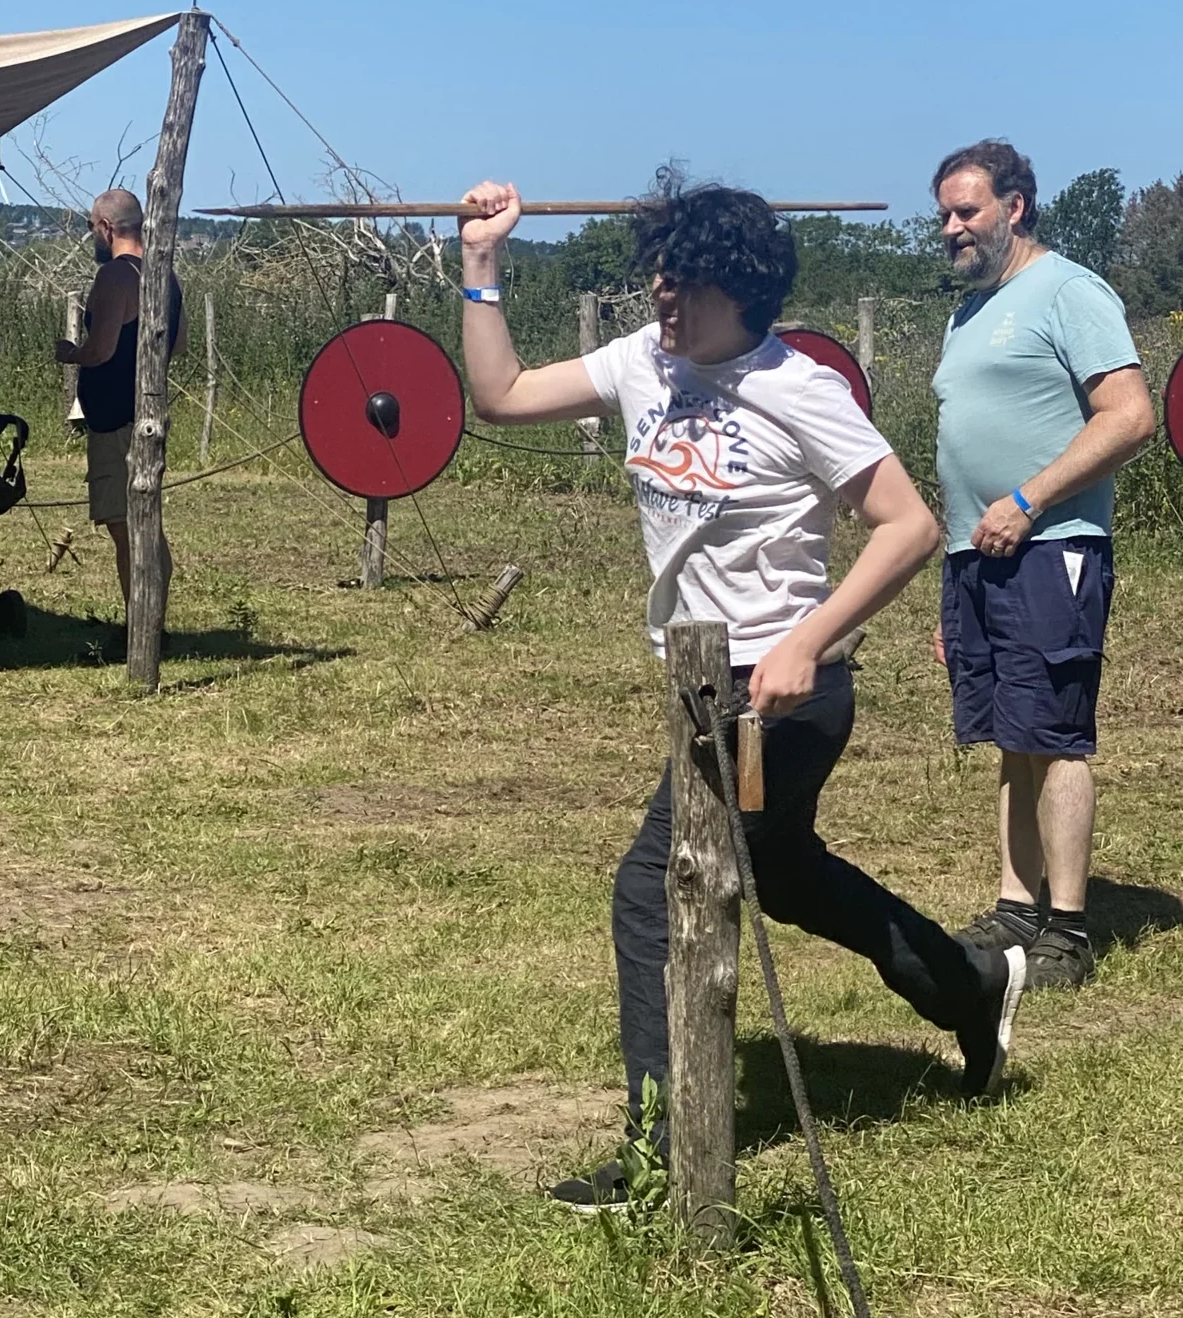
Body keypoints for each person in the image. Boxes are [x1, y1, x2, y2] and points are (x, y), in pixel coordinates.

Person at [457, 174, 1027, 1211]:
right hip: (697, 684)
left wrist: (811, 639)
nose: (665, 292)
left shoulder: (801, 387)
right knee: (786, 873)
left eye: (689, 278)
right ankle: (969, 983)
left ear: (745, 289)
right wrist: (483, 263)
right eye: (661, 272)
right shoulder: (641, 362)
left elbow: (905, 523)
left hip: (782, 700)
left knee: (657, 886)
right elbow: (500, 395)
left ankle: (661, 1147)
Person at [929, 141, 1156, 989]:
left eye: (967, 211)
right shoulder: (969, 311)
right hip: (975, 559)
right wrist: (950, 587)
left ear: (1014, 207)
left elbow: (1129, 417)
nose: (951, 228)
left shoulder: (1068, 291)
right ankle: (1015, 906)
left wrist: (1028, 502)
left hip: (1051, 548)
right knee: (1009, 738)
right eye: (945, 214)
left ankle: (1065, 929)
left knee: (1054, 737)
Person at [54, 189, 184, 648]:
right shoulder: (166, 275)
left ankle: (142, 629)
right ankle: (151, 621)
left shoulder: (114, 276)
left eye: (92, 226)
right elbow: (179, 344)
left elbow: (102, 349)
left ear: (106, 227)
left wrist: (71, 353)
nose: (93, 235)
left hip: (116, 421)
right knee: (142, 522)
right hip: (147, 411)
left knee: (126, 527)